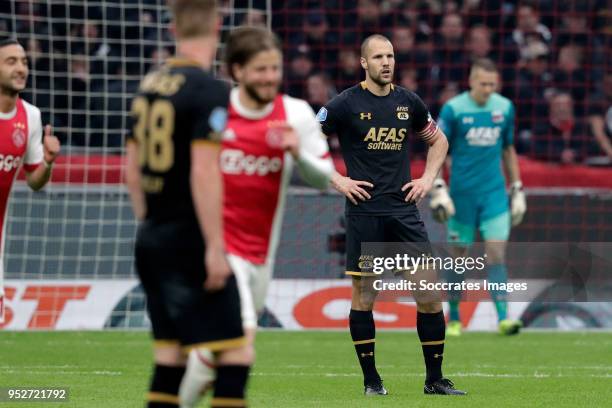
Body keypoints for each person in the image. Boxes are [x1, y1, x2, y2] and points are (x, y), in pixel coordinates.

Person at [178, 26, 335, 407]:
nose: (269, 77)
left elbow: (325, 178)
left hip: (261, 254)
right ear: (236, 71)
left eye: (274, 68)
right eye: (260, 69)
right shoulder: (215, 110)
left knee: (218, 351)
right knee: (240, 346)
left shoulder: (295, 114)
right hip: (217, 247)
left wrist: (297, 153)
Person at [318, 34, 466, 396]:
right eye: (379, 56)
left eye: (391, 56)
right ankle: (372, 382)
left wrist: (428, 179)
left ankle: (435, 380)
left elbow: (439, 140)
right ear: (363, 63)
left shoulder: (407, 101)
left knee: (429, 294)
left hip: (403, 211)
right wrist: (338, 180)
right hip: (365, 212)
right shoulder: (344, 104)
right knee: (364, 296)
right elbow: (305, 140)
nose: (387, 62)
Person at [125, 1, 251, 407]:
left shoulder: (149, 85)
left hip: (152, 237)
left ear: (172, 27)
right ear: (217, 25)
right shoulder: (211, 90)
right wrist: (214, 246)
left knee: (170, 357)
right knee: (236, 353)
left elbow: (130, 167)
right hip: (190, 239)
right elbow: (204, 172)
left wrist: (150, 219)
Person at [432, 58, 526, 336]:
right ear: (471, 81)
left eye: (492, 84)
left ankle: (503, 319)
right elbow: (438, 147)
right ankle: (455, 319)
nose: (488, 89)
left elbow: (508, 149)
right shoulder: (454, 109)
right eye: (483, 84)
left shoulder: (505, 107)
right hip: (461, 196)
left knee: (496, 253)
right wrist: (438, 185)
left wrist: (517, 187)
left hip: (494, 195)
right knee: (458, 256)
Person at [0, 38, 60, 325]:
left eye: (23, 62)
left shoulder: (31, 116)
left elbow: (35, 182)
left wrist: (48, 162)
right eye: (11, 62)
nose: (21, 68)